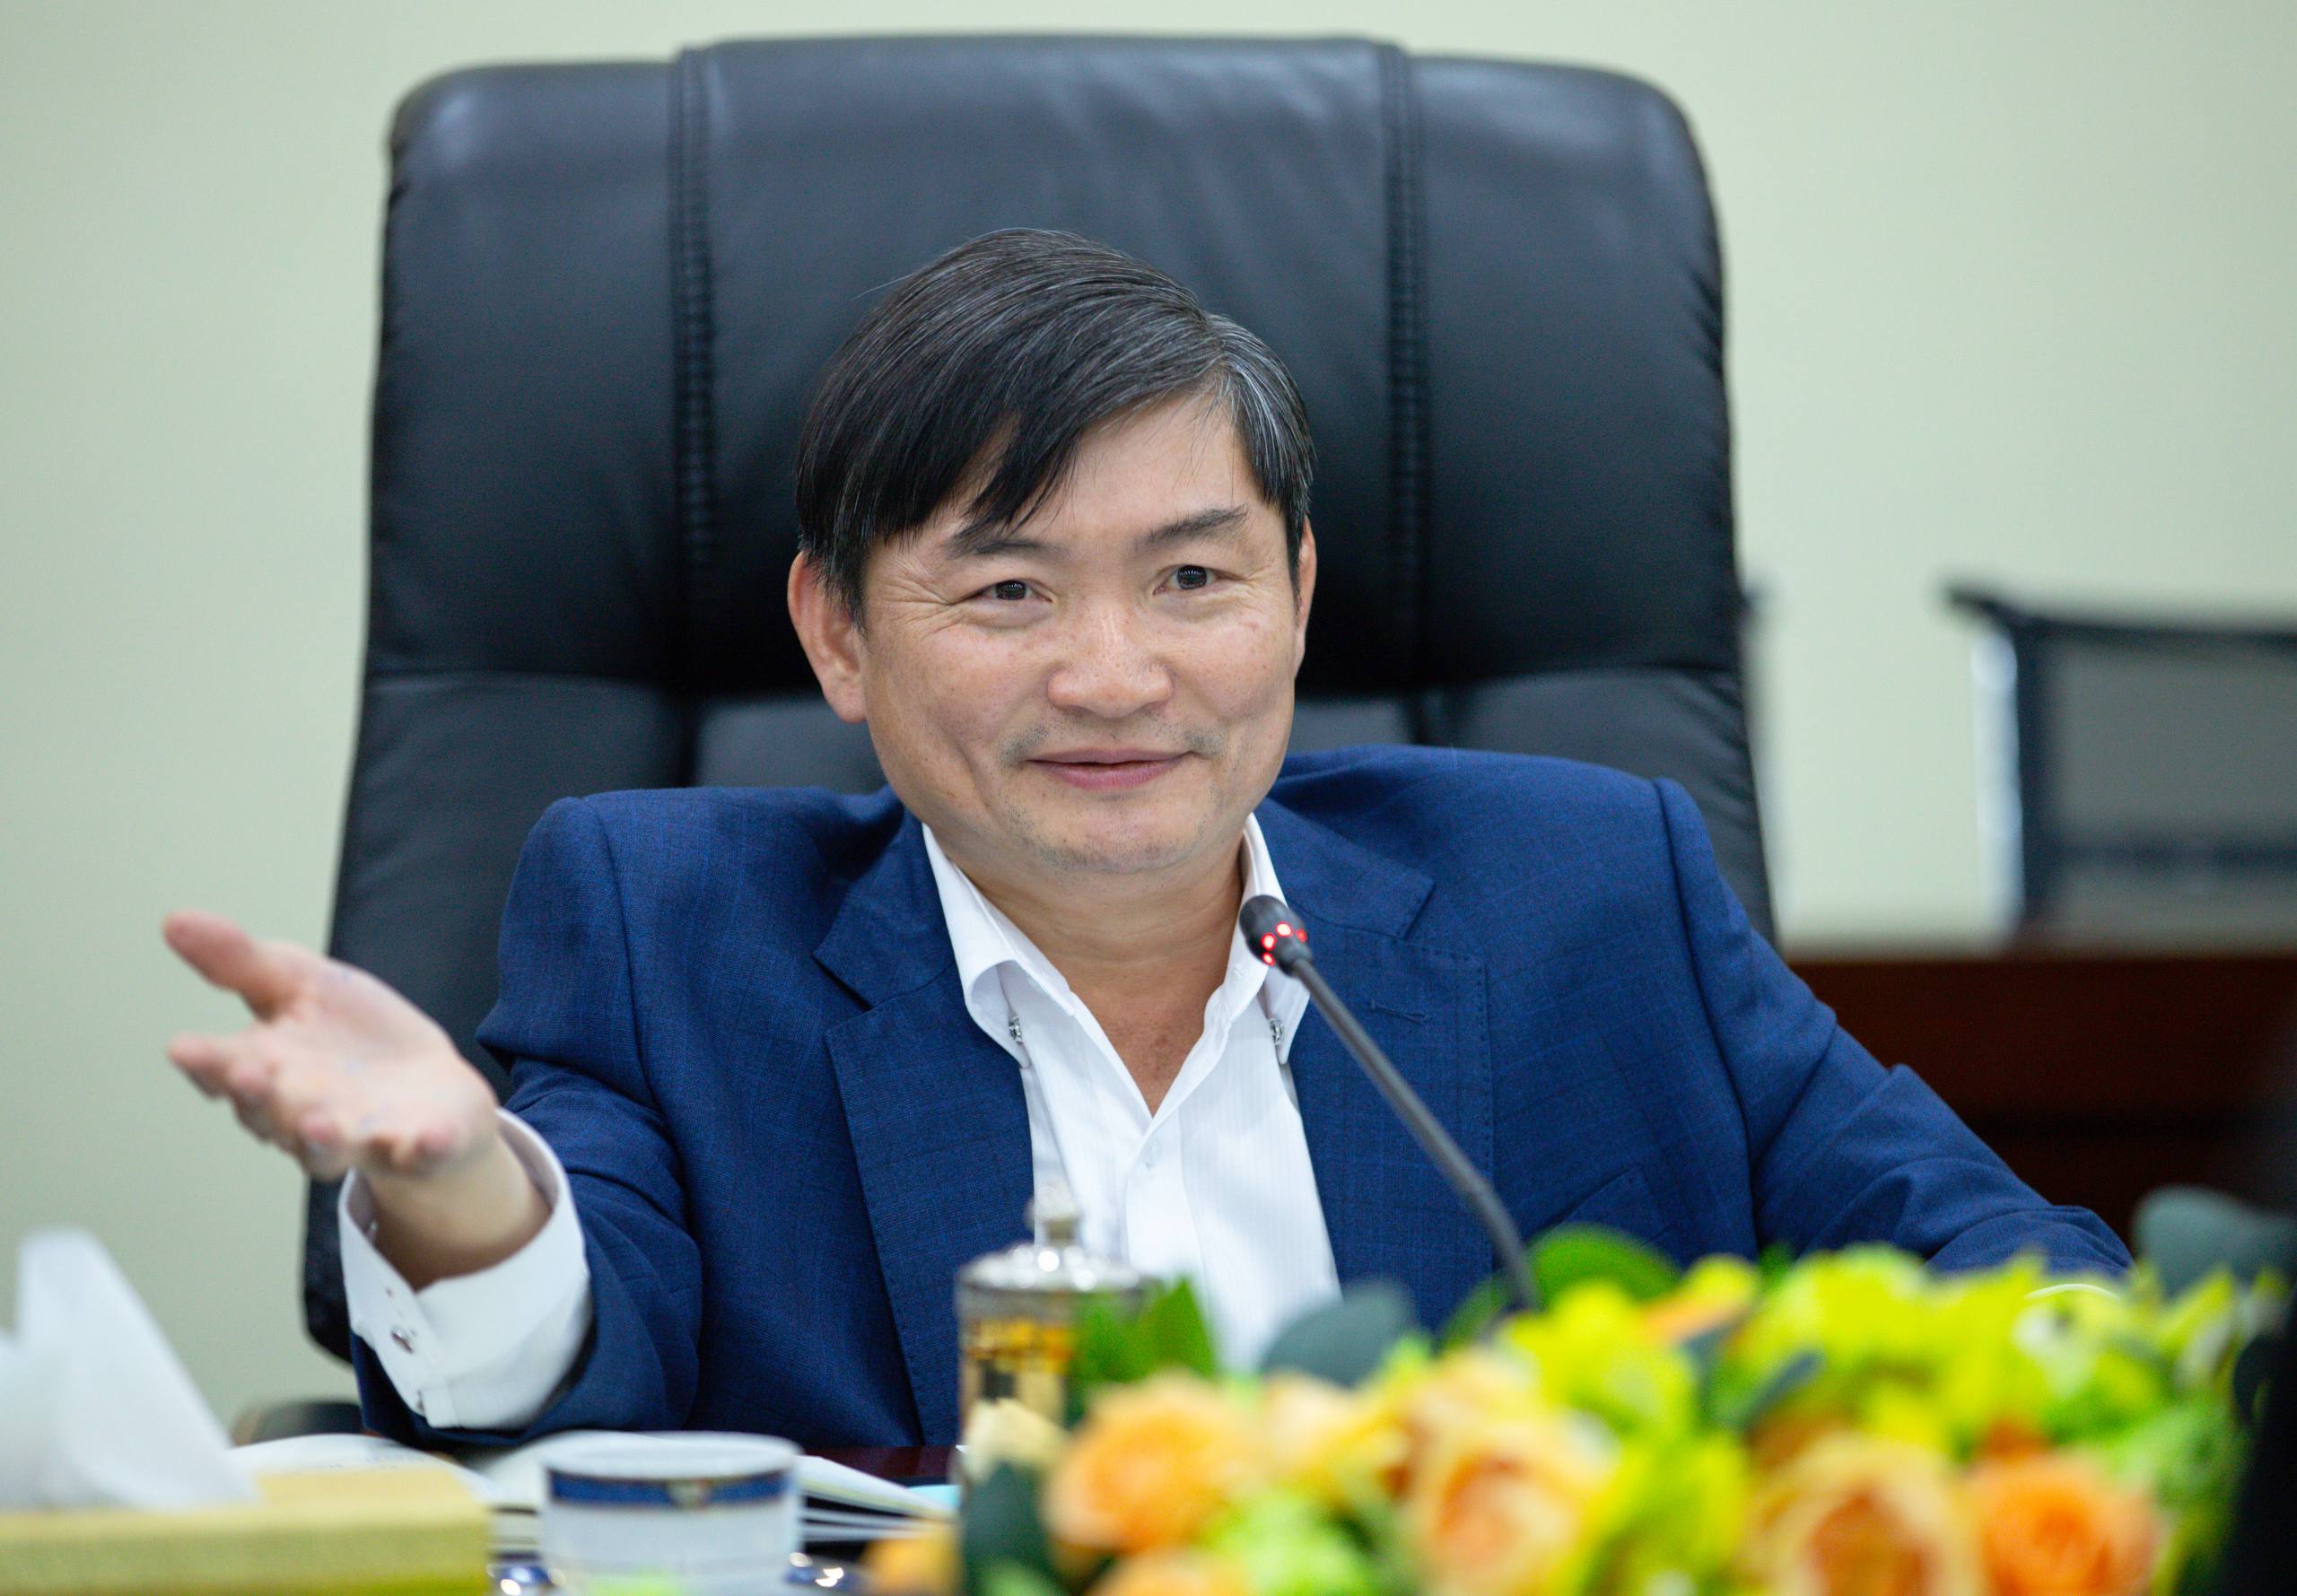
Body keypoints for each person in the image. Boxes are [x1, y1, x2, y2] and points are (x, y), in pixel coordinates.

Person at [162, 229, 2128, 1449]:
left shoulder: (1586, 884)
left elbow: (2001, 1267)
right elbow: (546, 1378)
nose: (1115, 675)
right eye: (1006, 591)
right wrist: (461, 1191)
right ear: (833, 635)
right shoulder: (668, 925)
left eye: (1192, 577)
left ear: (1297, 598)